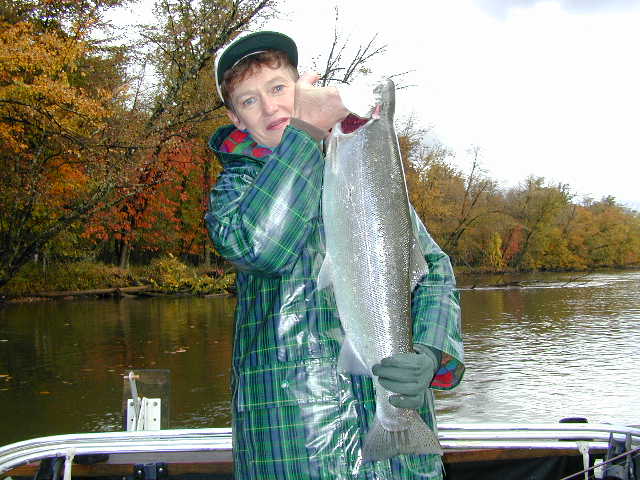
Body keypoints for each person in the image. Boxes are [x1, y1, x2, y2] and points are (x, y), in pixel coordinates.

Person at [205, 31, 465, 480]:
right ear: (236, 119)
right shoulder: (235, 189)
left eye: (278, 88)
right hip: (296, 447)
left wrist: (430, 350)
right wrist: (305, 132)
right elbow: (259, 247)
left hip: (402, 451)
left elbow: (433, 272)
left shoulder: (360, 168)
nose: (269, 107)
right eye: (249, 100)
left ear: (303, 88)